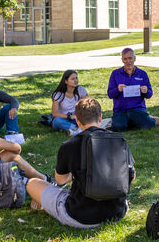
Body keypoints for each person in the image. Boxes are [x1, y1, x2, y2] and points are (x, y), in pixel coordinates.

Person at [28, 98, 135, 228]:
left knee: (32, 183)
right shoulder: (119, 140)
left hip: (81, 216)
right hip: (117, 211)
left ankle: (44, 203)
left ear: (78, 121)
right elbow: (131, 176)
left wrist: (75, 174)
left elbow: (60, 180)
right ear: (100, 117)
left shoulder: (69, 145)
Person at [107, 48, 159, 131]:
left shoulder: (142, 74)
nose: (128, 61)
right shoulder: (115, 74)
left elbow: (149, 94)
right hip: (120, 110)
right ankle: (133, 121)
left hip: (137, 109)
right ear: (122, 60)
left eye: (130, 58)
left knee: (148, 125)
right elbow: (110, 94)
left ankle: (149, 119)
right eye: (125, 59)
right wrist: (117, 89)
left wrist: (146, 91)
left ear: (134, 58)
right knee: (119, 127)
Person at [51, 70, 88, 136]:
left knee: (88, 119)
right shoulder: (58, 94)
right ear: (66, 81)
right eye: (73, 79)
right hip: (63, 119)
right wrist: (70, 117)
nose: (76, 80)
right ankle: (77, 129)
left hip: (77, 118)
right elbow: (54, 114)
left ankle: (72, 130)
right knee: (57, 121)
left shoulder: (81, 90)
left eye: (76, 78)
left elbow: (88, 105)